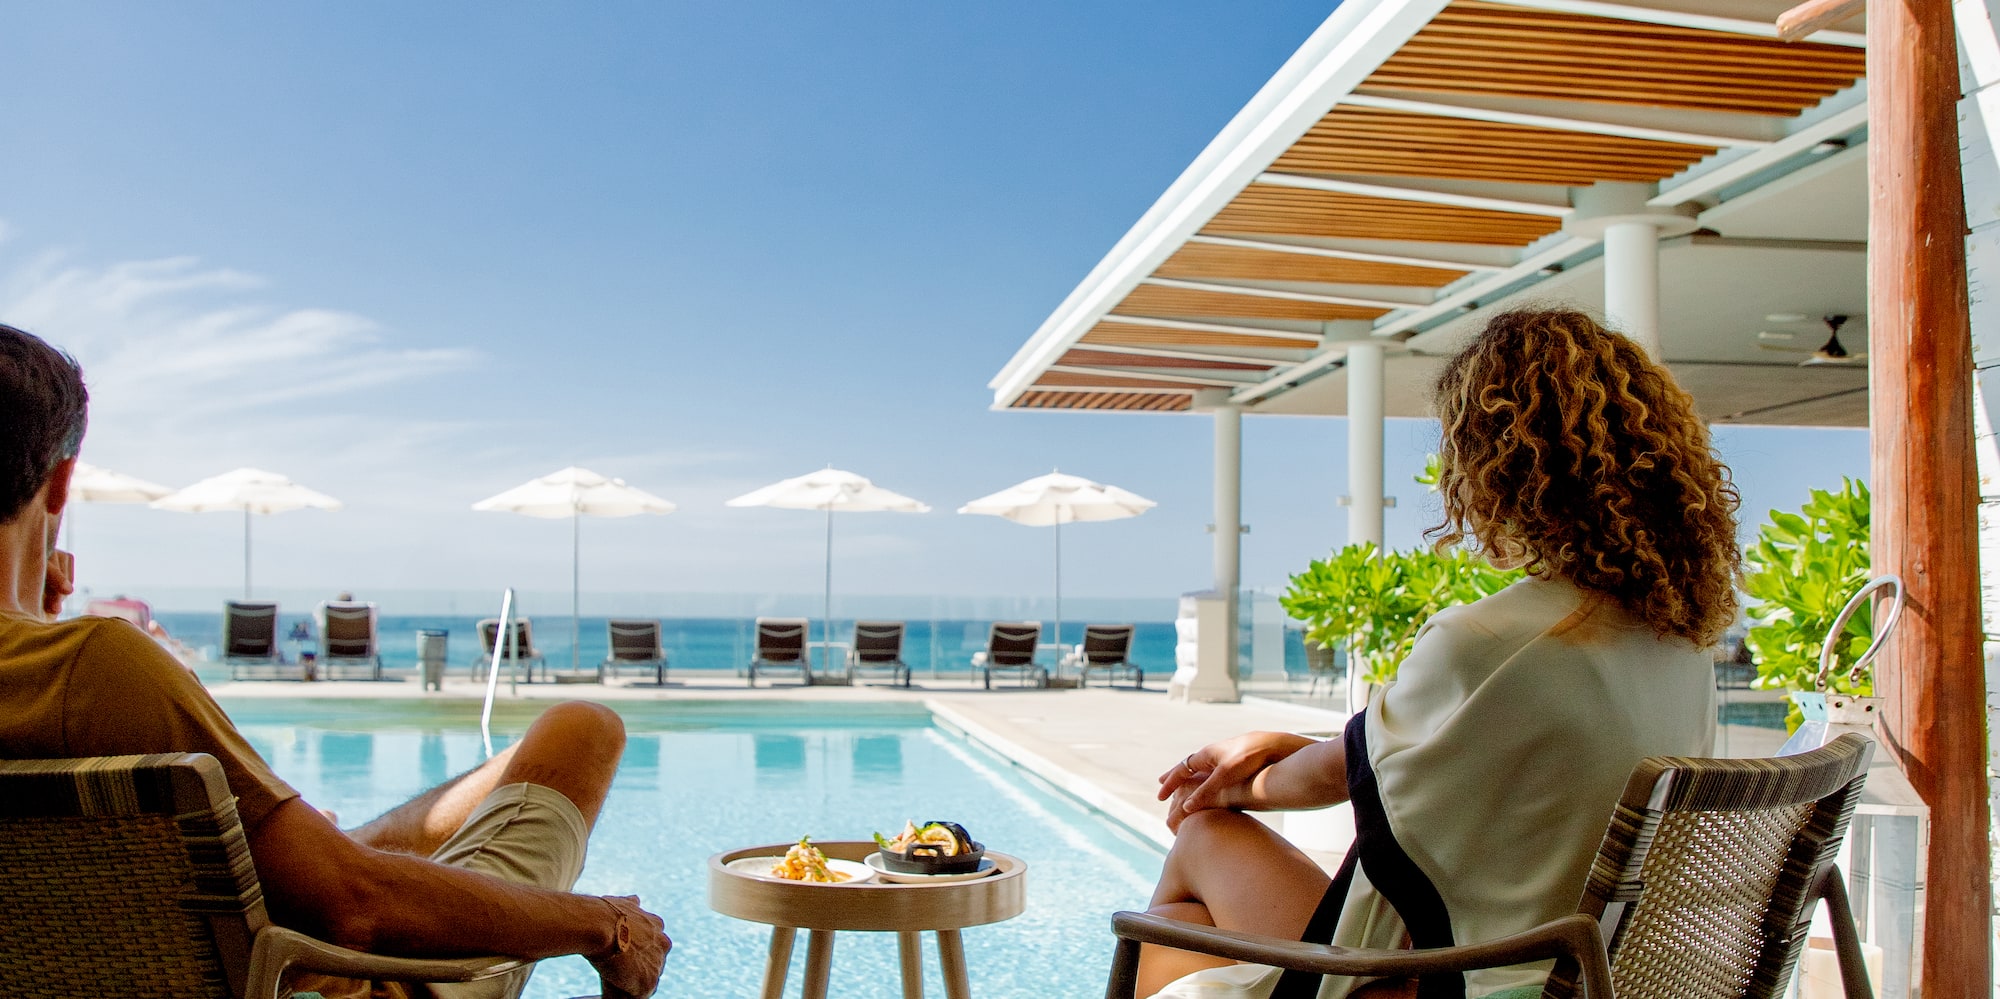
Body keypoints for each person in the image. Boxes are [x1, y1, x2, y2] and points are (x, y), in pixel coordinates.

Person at [0, 321, 671, 999]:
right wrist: (606, 924)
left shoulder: (46, 676)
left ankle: (327, 845)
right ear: (60, 484)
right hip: (347, 976)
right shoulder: (91, 668)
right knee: (581, 729)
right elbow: (356, 908)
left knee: (336, 845)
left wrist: (39, 615)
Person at [1142, 309, 1739, 999]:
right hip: (1595, 976)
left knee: (1198, 850)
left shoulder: (1490, 641)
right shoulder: (1680, 643)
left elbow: (1332, 779)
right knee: (1183, 924)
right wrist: (1295, 748)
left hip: (1460, 981)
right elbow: (1394, 761)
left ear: (1494, 466)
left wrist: (1225, 785)